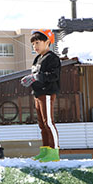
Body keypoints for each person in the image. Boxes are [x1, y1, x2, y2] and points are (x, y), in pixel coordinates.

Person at [21, 29, 61, 162]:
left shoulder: (52, 57)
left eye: (37, 42)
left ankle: (54, 151)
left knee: (48, 122)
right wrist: (31, 79)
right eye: (33, 44)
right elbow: (36, 76)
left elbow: (54, 75)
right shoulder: (37, 58)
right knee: (42, 124)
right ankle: (45, 151)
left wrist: (37, 77)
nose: (35, 46)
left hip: (47, 93)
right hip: (38, 94)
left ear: (47, 42)